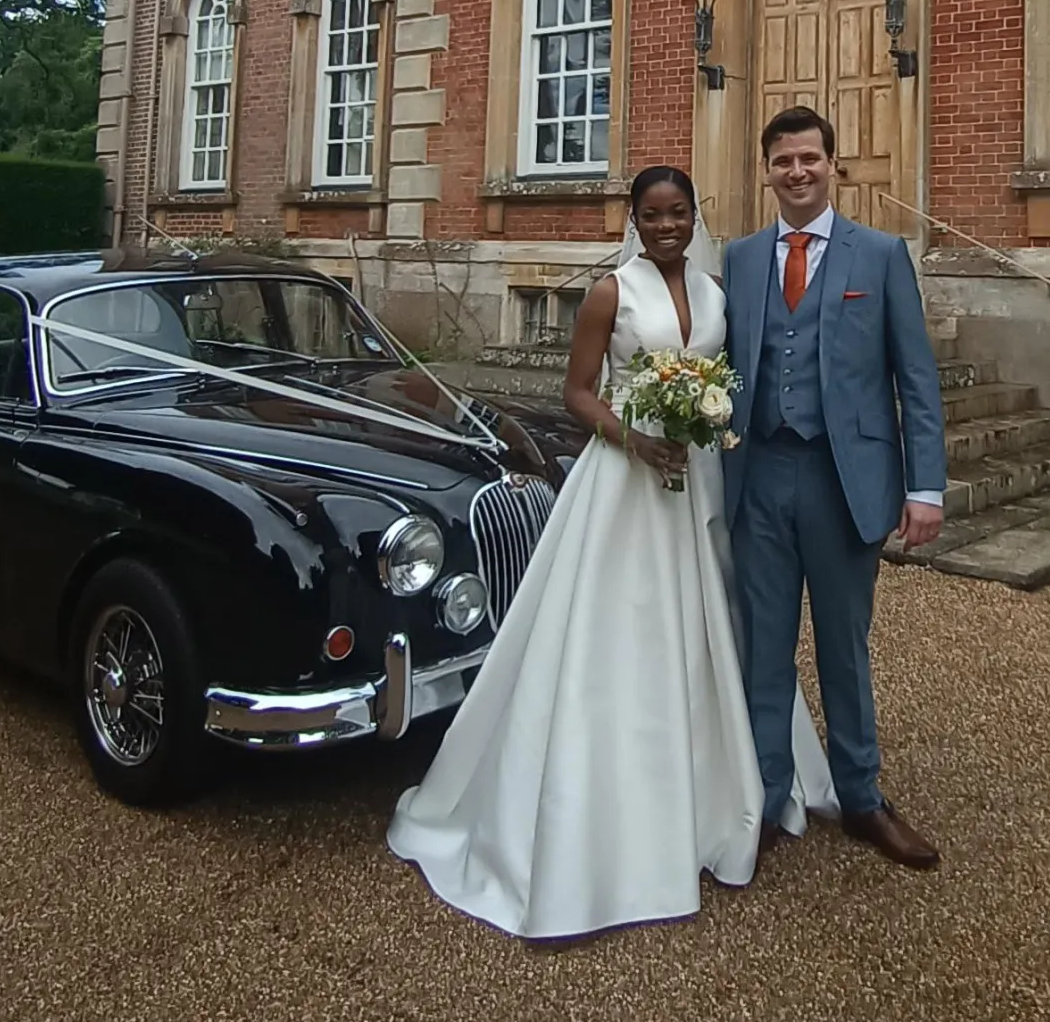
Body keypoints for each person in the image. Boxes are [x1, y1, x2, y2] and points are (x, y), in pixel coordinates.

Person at [386, 165, 838, 942]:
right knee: (619, 627)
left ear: (696, 216)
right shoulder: (609, 292)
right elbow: (579, 393)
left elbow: (722, 375)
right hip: (626, 478)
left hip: (697, 479)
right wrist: (634, 437)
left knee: (713, 621)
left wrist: (705, 417)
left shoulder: (717, 291)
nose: (667, 225)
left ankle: (724, 785)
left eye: (679, 213)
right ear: (634, 218)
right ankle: (613, 812)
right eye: (653, 215)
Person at [722, 105, 949, 869]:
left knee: (844, 649)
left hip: (845, 479)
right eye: (783, 161)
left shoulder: (880, 255)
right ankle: (764, 793)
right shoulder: (743, 257)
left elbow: (915, 380)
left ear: (832, 165)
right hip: (759, 477)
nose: (797, 172)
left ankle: (862, 798)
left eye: (810, 159)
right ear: (766, 170)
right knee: (764, 649)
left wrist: (927, 489)